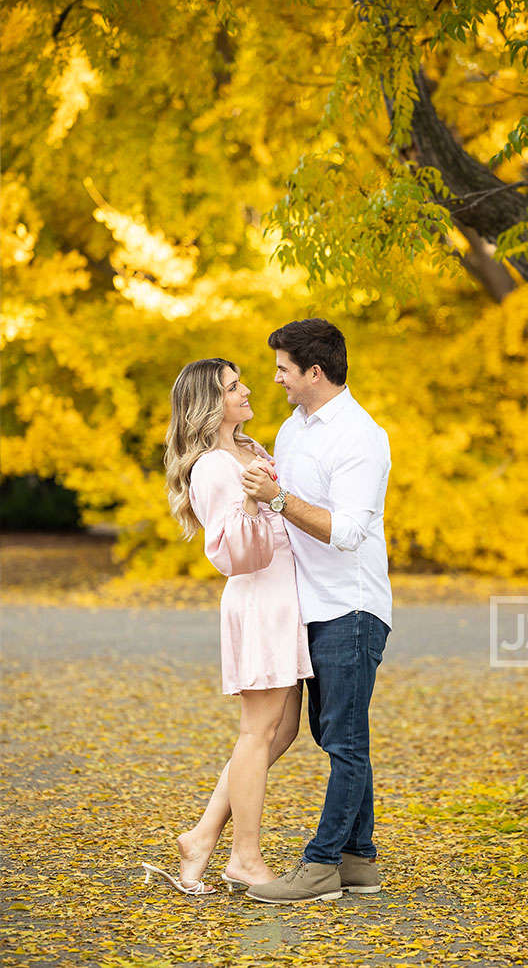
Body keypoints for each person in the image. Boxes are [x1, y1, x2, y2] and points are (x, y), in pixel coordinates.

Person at [142, 357, 313, 897]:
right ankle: (244, 857)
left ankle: (201, 838)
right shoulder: (215, 467)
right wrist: (249, 499)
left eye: (241, 382)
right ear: (209, 404)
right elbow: (233, 554)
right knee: (257, 731)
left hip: (285, 598)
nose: (245, 391)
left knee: (279, 731)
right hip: (260, 597)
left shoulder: (252, 449)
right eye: (232, 387)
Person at [241, 318, 392, 904]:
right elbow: (280, 508)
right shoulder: (292, 428)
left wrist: (276, 497)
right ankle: (360, 861)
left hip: (351, 608)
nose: (275, 378)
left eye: (283, 368)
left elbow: (350, 531)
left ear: (315, 372)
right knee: (337, 737)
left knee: (345, 742)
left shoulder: (360, 436)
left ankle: (322, 863)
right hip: (309, 607)